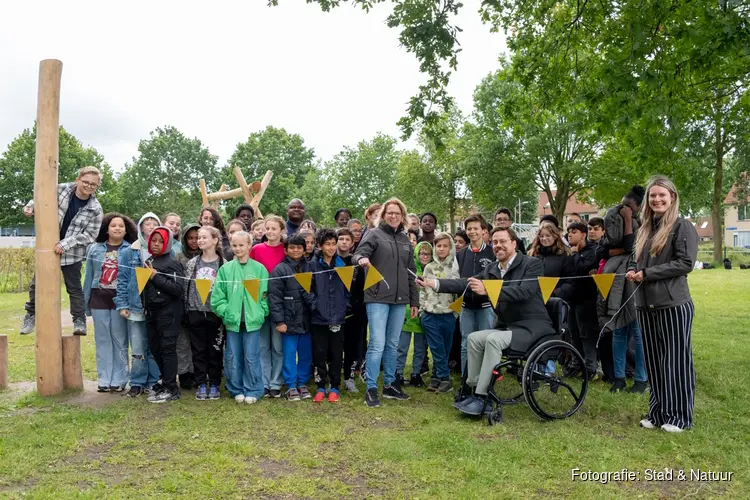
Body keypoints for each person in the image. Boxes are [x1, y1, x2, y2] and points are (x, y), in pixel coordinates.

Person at [419, 227, 554, 416]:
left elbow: (524, 291)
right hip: (508, 326)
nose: (498, 246)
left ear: (514, 244)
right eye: (495, 242)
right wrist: (434, 283)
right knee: (474, 338)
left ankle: (484, 397)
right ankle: (472, 389)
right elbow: (466, 283)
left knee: (492, 340)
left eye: (503, 241)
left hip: (533, 326)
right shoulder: (492, 269)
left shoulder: (532, 263)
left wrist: (489, 289)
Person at [627, 176, 698, 432]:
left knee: (676, 361)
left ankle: (679, 416)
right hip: (645, 305)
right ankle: (658, 412)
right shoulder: (645, 228)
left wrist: (646, 274)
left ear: (672, 198)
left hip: (673, 304)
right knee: (655, 362)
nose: (657, 199)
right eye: (653, 196)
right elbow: (636, 261)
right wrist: (634, 270)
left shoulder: (682, 227)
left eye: (662, 196)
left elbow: (685, 263)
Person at [21, 166, 104, 335]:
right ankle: (31, 314)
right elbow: (40, 198)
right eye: (86, 182)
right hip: (47, 249)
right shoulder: (61, 189)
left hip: (71, 254)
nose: (89, 186)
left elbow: (90, 235)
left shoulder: (95, 209)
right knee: (36, 284)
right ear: (78, 179)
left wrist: (67, 243)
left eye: (93, 185)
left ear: (97, 187)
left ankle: (79, 321)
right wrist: (30, 206)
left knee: (74, 288)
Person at [353, 198, 419, 407]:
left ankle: (390, 384)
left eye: (397, 213)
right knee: (378, 344)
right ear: (383, 215)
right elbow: (358, 254)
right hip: (377, 297)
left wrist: (414, 301)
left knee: (392, 344)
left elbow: (411, 273)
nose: (393, 216)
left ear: (402, 216)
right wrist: (361, 260)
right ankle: (371, 388)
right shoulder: (374, 234)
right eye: (389, 213)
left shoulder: (404, 239)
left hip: (400, 300)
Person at [211, 231, 269, 404]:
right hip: (232, 322)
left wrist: (261, 311)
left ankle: (253, 388)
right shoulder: (225, 270)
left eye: (241, 245)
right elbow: (217, 298)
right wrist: (226, 312)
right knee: (232, 356)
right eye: (234, 245)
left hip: (253, 322)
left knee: (252, 356)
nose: (237, 249)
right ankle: (235, 388)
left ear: (249, 246)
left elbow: (265, 295)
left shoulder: (259, 269)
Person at [598, 185, 646, 386]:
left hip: (635, 279)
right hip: (616, 277)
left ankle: (641, 378)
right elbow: (606, 248)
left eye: (627, 207)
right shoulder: (614, 215)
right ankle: (618, 377)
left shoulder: (643, 223)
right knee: (618, 329)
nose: (622, 209)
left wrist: (628, 220)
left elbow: (629, 246)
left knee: (637, 330)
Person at [83, 213, 137, 392]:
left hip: (120, 298)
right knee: (102, 339)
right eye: (114, 225)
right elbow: (89, 276)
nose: (117, 228)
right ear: (107, 228)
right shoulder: (95, 249)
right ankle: (104, 379)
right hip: (98, 297)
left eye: (121, 226)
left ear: (126, 229)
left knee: (120, 338)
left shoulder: (130, 249)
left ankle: (120, 379)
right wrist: (85, 303)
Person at [115, 212, 163, 397]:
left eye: (154, 223)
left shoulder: (164, 251)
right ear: (141, 227)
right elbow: (122, 280)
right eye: (147, 223)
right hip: (135, 306)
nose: (150, 226)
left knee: (154, 347)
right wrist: (122, 304)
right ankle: (136, 382)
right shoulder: (129, 251)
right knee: (137, 348)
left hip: (156, 308)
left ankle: (154, 381)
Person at [269, 234, 315, 401]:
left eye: (299, 247)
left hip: (307, 320)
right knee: (288, 354)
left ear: (304, 249)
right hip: (288, 321)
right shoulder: (279, 269)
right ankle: (290, 385)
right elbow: (274, 298)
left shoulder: (310, 267)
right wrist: (279, 321)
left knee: (305, 354)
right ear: (286, 249)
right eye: (292, 247)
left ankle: (302, 383)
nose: (296, 250)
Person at [142, 226, 185, 403]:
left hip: (169, 312)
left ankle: (171, 388)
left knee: (167, 349)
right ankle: (164, 381)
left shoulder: (173, 262)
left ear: (167, 243)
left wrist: (155, 276)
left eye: (161, 241)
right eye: (154, 240)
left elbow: (178, 289)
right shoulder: (149, 260)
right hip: (152, 312)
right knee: (155, 348)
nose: (157, 244)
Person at [184, 226, 225, 401]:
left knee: (215, 350)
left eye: (204, 237)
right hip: (195, 311)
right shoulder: (192, 263)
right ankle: (201, 383)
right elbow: (186, 287)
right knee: (198, 349)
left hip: (216, 313)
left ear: (215, 240)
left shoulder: (224, 264)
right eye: (198, 237)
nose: (199, 240)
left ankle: (214, 383)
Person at [309, 229, 350, 403]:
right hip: (319, 318)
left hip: (338, 317)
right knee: (319, 353)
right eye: (328, 244)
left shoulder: (342, 265)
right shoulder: (311, 265)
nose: (332, 247)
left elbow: (348, 289)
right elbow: (307, 289)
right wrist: (315, 305)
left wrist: (343, 307)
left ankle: (334, 386)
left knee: (336, 353)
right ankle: (320, 386)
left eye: (334, 244)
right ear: (319, 245)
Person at [249, 215, 287, 397]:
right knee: (262, 346)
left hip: (280, 304)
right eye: (267, 228)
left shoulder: (286, 250)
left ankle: (276, 382)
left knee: (278, 346)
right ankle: (264, 382)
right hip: (259, 302)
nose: (270, 232)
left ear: (282, 231)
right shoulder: (256, 249)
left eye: (274, 228)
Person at [455, 215, 495, 377]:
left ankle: (484, 381)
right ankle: (467, 380)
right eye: (469, 229)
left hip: (486, 307)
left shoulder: (492, 252)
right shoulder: (462, 254)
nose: (472, 232)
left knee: (487, 343)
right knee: (465, 344)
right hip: (466, 307)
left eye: (475, 228)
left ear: (483, 230)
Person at [420, 232, 460, 393]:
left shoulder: (455, 267)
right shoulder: (429, 267)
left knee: (445, 347)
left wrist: (455, 313)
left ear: (450, 248)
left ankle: (436, 377)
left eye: (445, 246)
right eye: (438, 246)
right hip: (430, 314)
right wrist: (423, 309)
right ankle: (445, 378)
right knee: (436, 347)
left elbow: (459, 291)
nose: (441, 249)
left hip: (448, 314)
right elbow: (422, 290)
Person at [566, 222, 600, 379]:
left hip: (587, 299)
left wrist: (575, 254)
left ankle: (590, 367)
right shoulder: (570, 252)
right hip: (572, 298)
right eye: (568, 232)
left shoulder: (592, 251)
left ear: (583, 234)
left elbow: (582, 269)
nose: (570, 234)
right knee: (573, 333)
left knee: (586, 334)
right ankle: (575, 364)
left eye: (574, 232)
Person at [396, 242, 431, 387]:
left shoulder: (433, 270)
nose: (424, 256)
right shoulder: (409, 269)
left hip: (424, 312)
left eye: (428, 254)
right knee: (402, 346)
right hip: (407, 311)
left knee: (420, 347)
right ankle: (397, 373)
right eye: (421, 253)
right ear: (416, 254)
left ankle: (416, 373)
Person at [174, 223, 200, 389]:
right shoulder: (178, 256)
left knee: (196, 342)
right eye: (190, 238)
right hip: (182, 302)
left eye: (197, 238)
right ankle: (183, 373)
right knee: (182, 342)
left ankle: (196, 372)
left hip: (200, 303)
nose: (194, 241)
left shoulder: (207, 256)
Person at [337, 227, 360, 393]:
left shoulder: (356, 262)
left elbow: (361, 287)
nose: (344, 242)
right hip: (335, 311)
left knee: (352, 346)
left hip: (354, 311)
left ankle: (349, 377)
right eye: (341, 239)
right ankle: (334, 376)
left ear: (352, 243)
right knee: (335, 347)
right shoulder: (330, 261)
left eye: (347, 240)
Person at [527, 222, 575, 304]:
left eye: (548, 235)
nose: (544, 238)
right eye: (541, 236)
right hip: (534, 301)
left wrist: (555, 294)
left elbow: (570, 281)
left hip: (556, 301)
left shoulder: (565, 255)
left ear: (555, 236)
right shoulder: (531, 254)